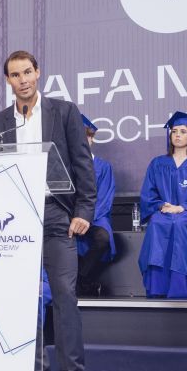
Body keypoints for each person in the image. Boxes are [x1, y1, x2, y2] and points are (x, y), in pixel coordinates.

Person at [0, 50, 94, 371]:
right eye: (15, 75)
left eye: (28, 72)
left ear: (38, 73)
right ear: (8, 81)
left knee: (64, 296)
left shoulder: (63, 112)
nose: (23, 80)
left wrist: (84, 211)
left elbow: (82, 164)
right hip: (17, 217)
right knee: (23, 300)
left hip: (57, 214)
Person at [138, 112, 187, 298]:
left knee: (179, 223)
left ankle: (179, 288)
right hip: (163, 211)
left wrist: (182, 208)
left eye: (182, 131)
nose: (178, 135)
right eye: (174, 131)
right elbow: (148, 193)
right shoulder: (158, 163)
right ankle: (157, 287)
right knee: (157, 223)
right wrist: (160, 205)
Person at [76, 116, 116, 297]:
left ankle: (82, 279)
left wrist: (86, 218)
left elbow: (105, 197)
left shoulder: (103, 166)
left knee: (102, 239)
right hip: (70, 218)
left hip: (96, 217)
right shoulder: (65, 166)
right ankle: (84, 283)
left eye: (86, 137)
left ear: (91, 139)